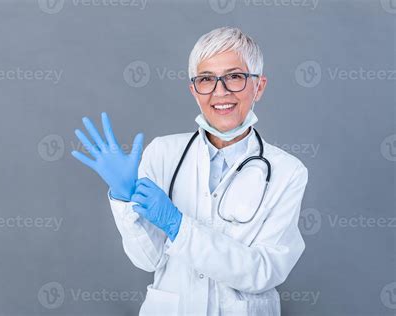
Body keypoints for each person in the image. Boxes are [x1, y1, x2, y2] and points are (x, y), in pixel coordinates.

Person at [71, 26, 309, 316]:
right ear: (194, 91)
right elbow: (148, 260)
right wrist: (124, 198)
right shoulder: (162, 153)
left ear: (258, 86)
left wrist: (176, 225)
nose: (220, 92)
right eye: (207, 79)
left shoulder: (288, 172)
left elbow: (262, 272)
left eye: (234, 77)